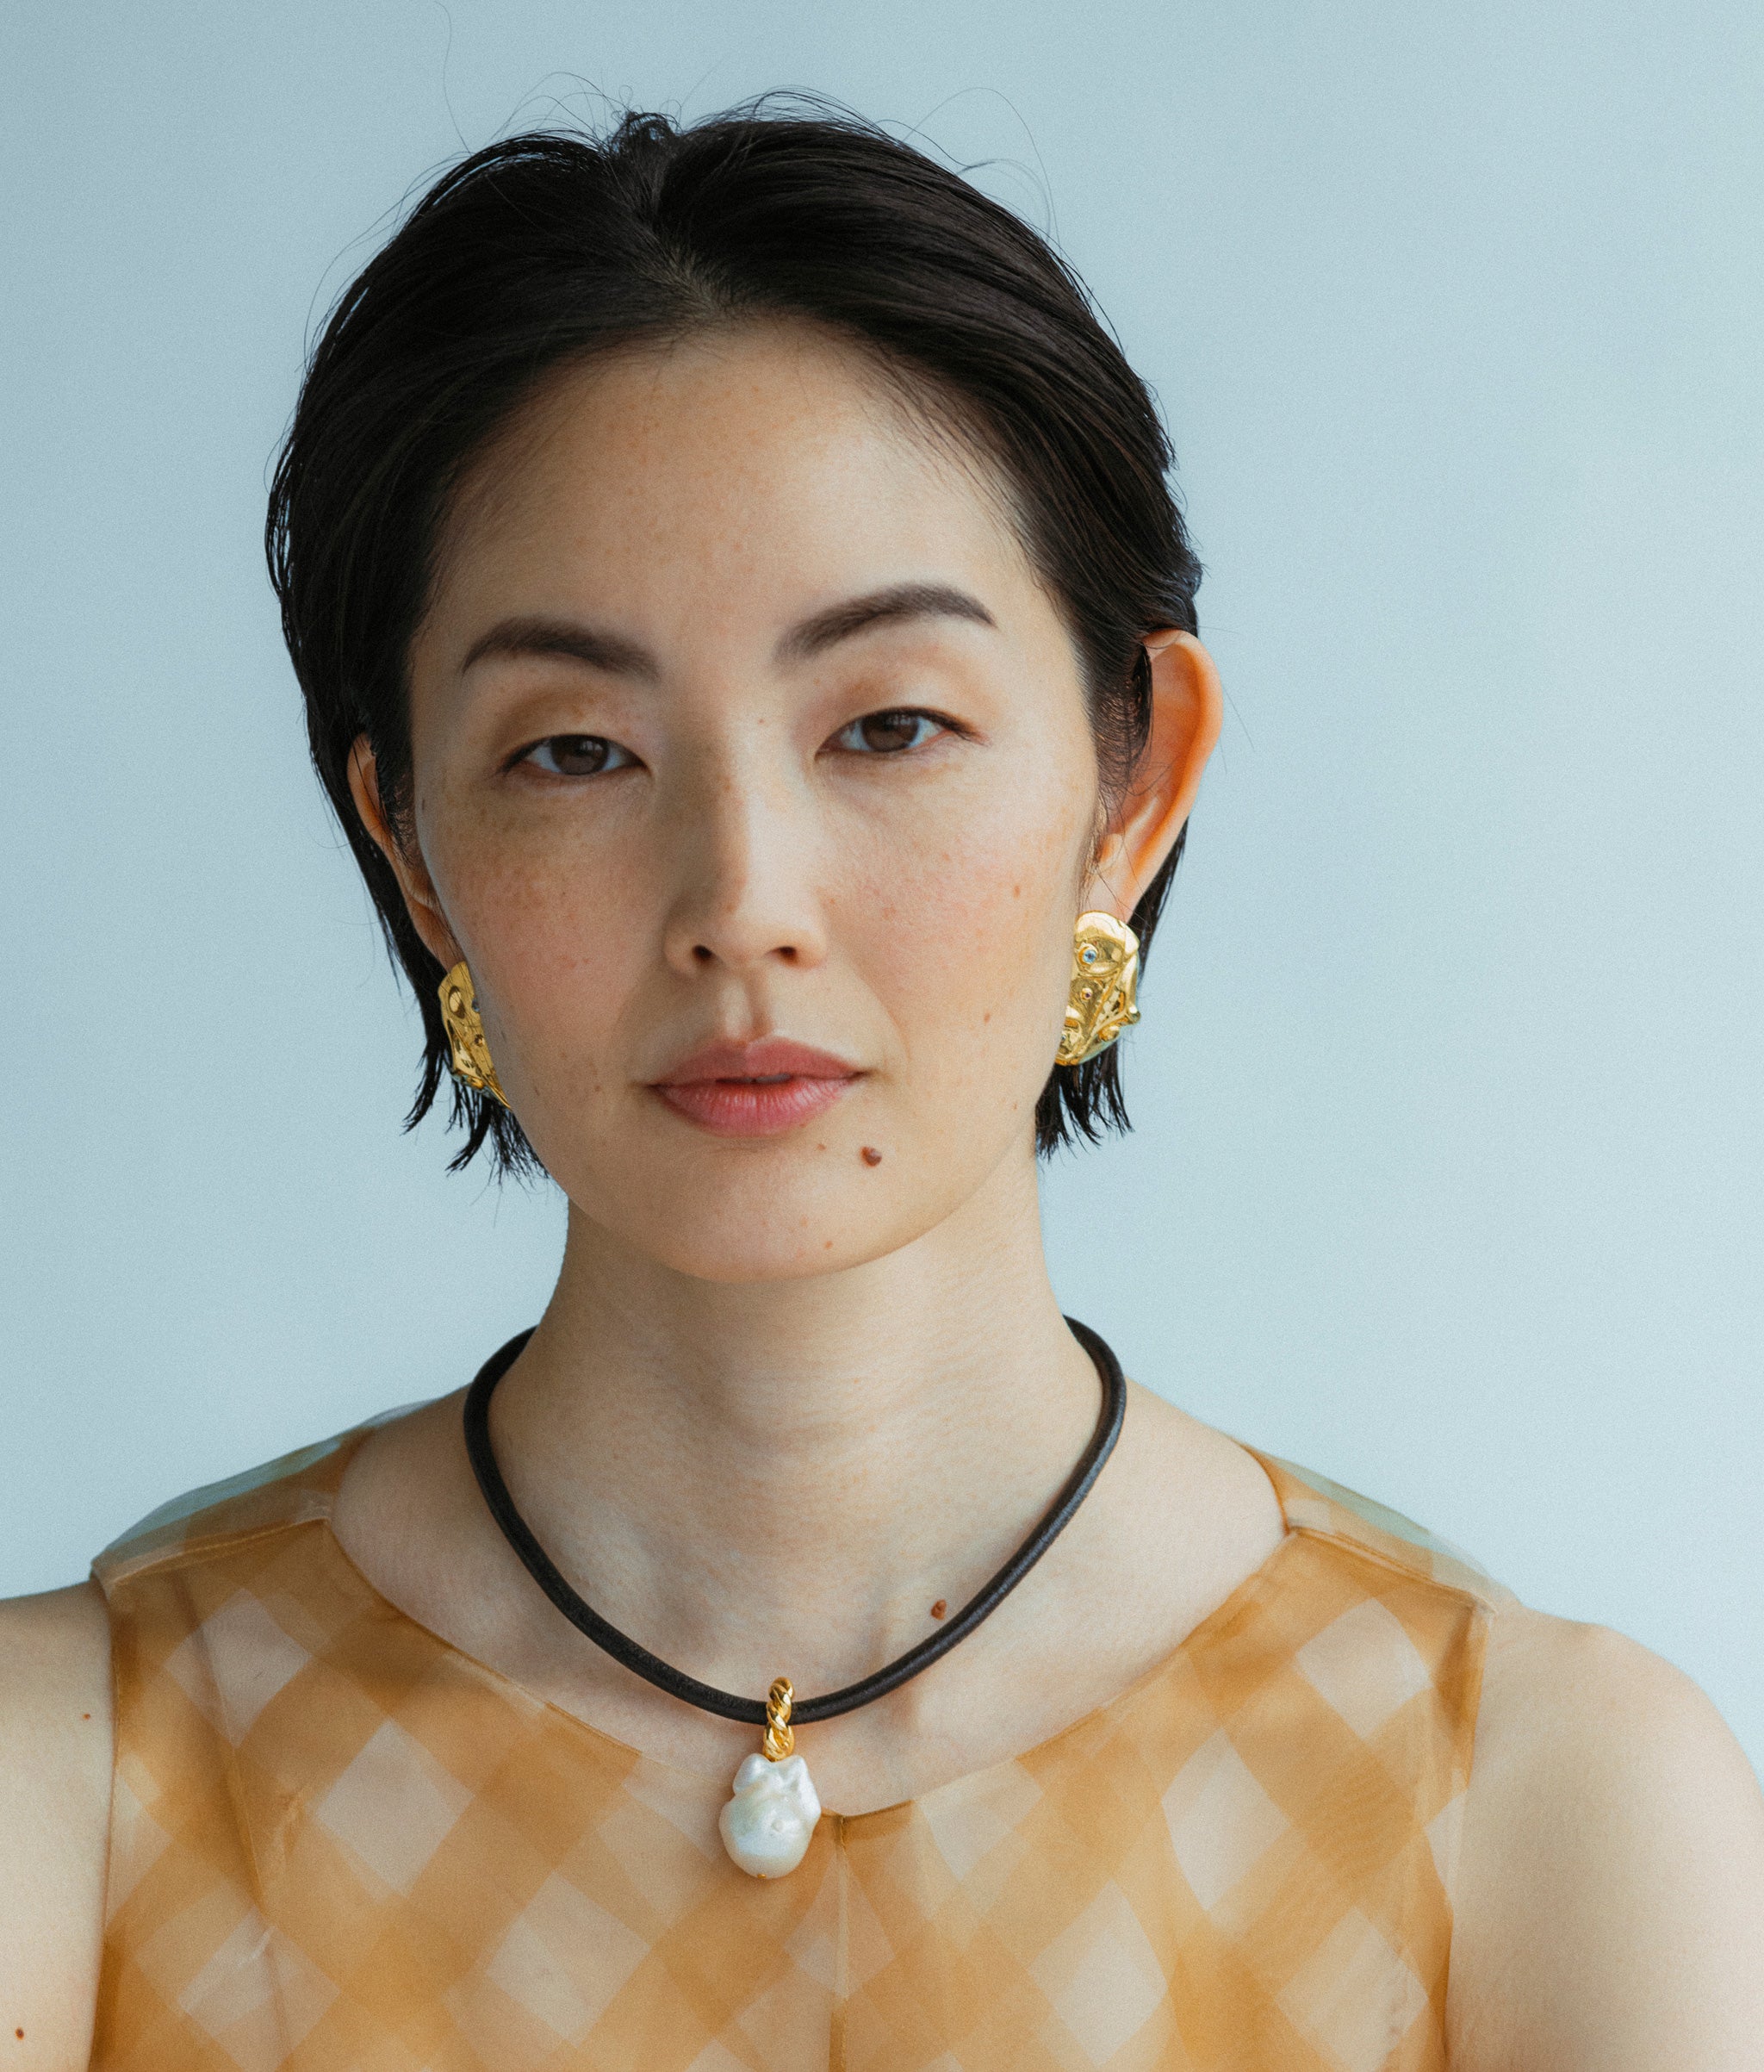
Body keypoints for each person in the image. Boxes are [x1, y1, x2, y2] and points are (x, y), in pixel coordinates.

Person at [3, 105, 1761, 2072]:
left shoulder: (1547, 1809)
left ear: (1134, 787)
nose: (742, 902)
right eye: (574, 752)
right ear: (411, 847)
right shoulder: (66, 1794)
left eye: (890, 725)